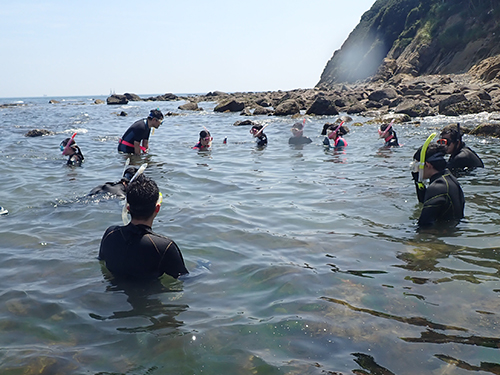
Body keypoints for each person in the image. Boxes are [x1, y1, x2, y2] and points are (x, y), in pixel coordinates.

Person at [99, 174, 189, 280]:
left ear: (128, 208)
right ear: (157, 208)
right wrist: (204, 269)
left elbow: (102, 261)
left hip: (114, 292)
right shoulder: (164, 246)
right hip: (149, 294)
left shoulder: (110, 234)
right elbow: (184, 279)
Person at [411, 141, 465, 227]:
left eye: (417, 165)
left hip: (442, 234)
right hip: (453, 231)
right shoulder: (448, 178)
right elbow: (424, 202)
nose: (416, 169)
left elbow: (423, 225)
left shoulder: (437, 187)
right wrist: (418, 181)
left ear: (428, 165)